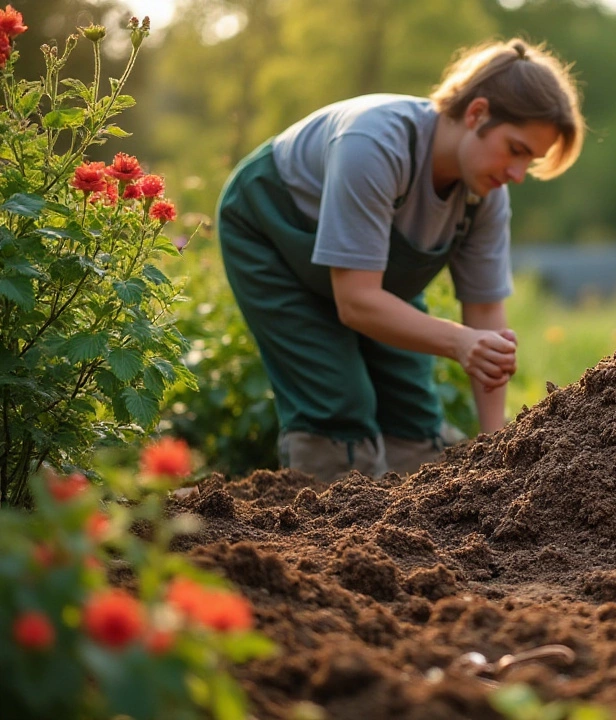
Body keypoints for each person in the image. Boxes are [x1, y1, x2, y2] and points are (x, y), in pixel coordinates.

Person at [216, 39, 584, 482]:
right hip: (272, 232)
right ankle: (330, 520)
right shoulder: (373, 144)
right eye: (516, 149)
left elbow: (485, 317)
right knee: (338, 403)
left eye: (532, 161)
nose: (517, 174)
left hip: (370, 281)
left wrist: (496, 450)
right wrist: (459, 342)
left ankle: (408, 517)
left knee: (412, 411)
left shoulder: (485, 195)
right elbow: (356, 302)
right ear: (477, 114)